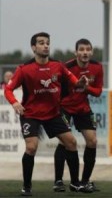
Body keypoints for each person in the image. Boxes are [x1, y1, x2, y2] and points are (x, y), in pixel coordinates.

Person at [4, 32, 93, 196]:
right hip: (31, 114)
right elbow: (8, 89)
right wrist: (15, 102)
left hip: (53, 114)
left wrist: (80, 83)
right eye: (41, 43)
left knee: (71, 142)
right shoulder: (24, 69)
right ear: (33, 47)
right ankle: (27, 186)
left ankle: (75, 183)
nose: (46, 45)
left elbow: (74, 80)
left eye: (47, 43)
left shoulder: (58, 66)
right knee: (31, 147)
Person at [53, 38, 103, 192]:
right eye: (81, 50)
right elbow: (56, 88)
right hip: (64, 108)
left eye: (88, 49)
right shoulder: (66, 67)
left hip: (83, 108)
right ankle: (58, 180)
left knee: (92, 141)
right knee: (66, 142)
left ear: (92, 52)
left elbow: (98, 92)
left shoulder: (97, 67)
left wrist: (86, 86)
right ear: (76, 53)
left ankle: (84, 181)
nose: (85, 52)